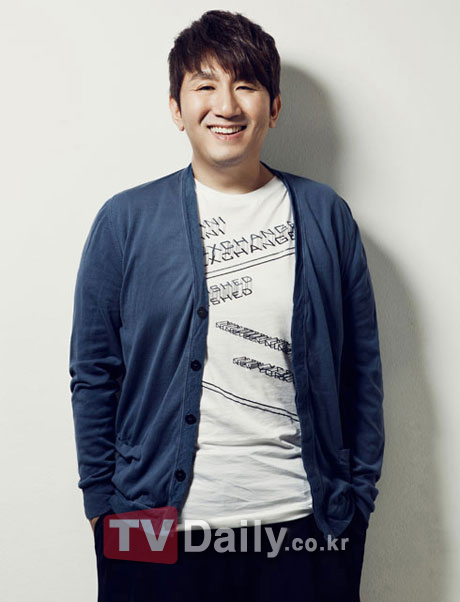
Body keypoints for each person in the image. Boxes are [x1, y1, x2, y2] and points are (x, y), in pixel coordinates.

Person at [69, 9, 385, 602]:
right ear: (176, 107)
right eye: (205, 86)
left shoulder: (325, 215)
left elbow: (360, 369)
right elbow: (94, 372)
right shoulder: (126, 221)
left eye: (246, 85)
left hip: (305, 524)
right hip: (148, 522)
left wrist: (357, 501)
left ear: (274, 106)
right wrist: (102, 509)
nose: (226, 105)